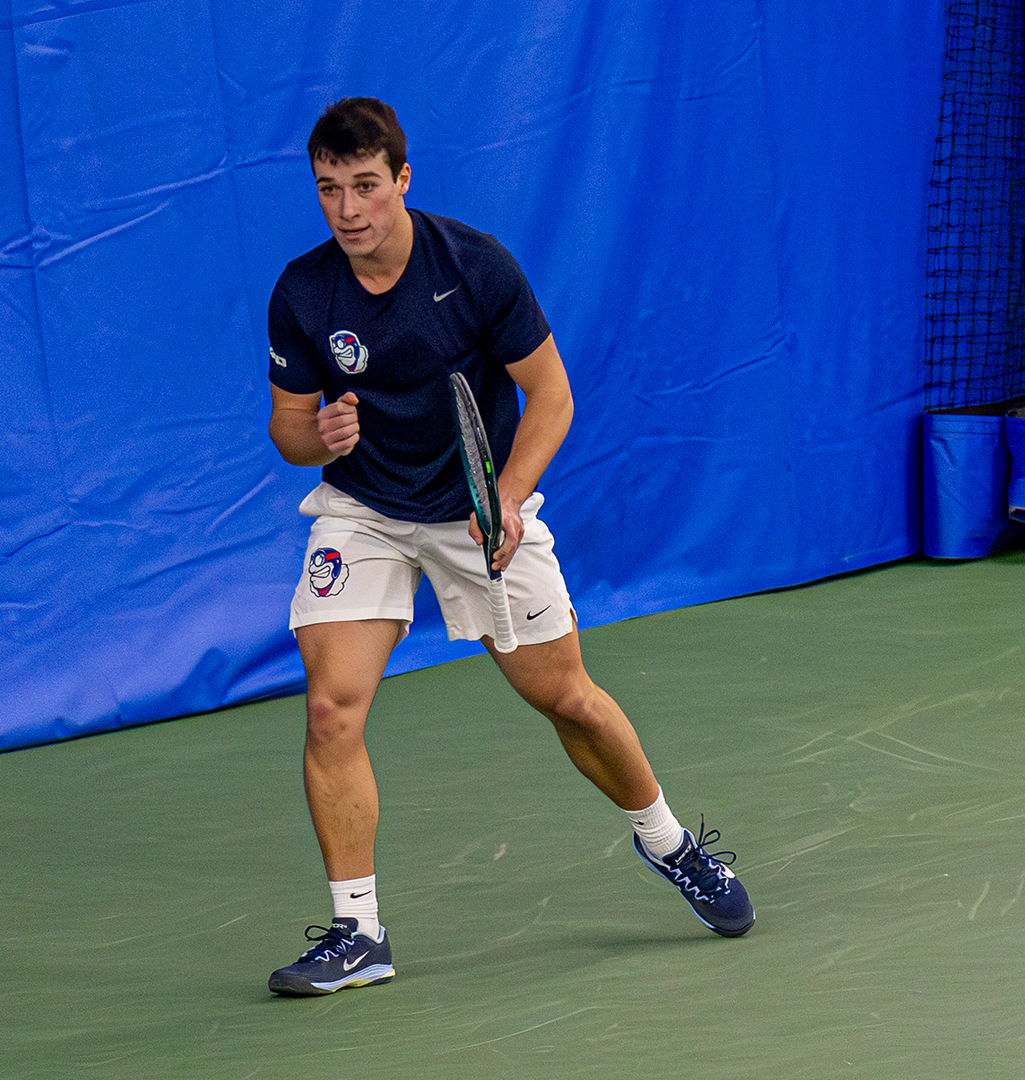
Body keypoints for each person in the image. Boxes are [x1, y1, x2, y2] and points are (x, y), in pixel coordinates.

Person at [263, 97, 751, 997]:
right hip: (364, 508)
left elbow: (552, 396)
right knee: (332, 710)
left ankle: (669, 843)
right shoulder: (304, 291)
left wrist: (511, 500)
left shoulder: (474, 268)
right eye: (330, 190)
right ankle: (358, 932)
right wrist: (318, 433)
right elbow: (288, 427)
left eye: (366, 186)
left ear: (402, 180)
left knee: (566, 699)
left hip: (478, 508)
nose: (348, 209)